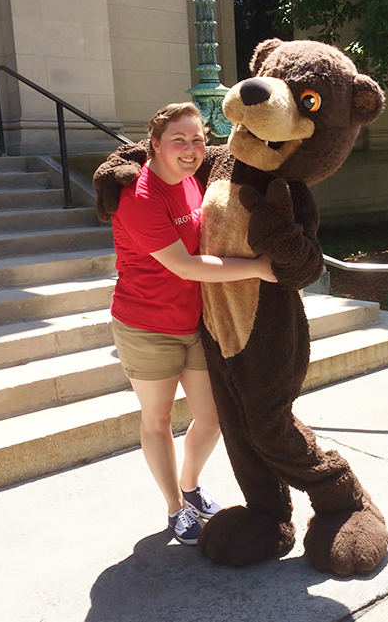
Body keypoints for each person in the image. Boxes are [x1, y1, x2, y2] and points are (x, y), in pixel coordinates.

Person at [109, 102, 276, 545]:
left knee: (212, 415)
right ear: (155, 146)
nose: (191, 148)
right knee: (158, 419)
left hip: (194, 321)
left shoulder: (189, 181)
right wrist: (257, 267)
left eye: (198, 139)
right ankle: (173, 507)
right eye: (179, 140)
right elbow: (184, 265)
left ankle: (191, 486)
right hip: (146, 325)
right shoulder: (139, 197)